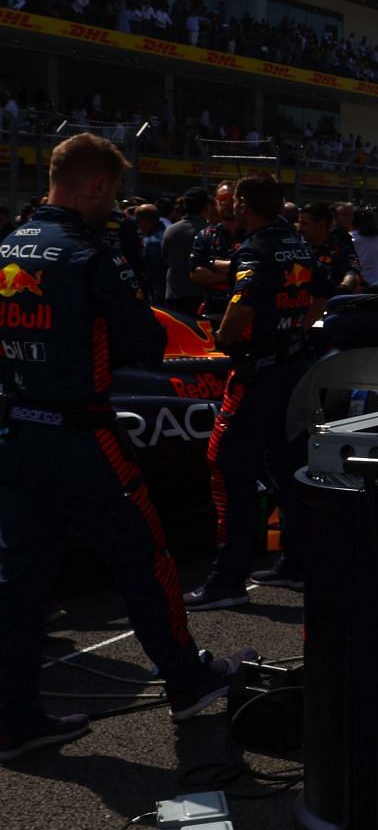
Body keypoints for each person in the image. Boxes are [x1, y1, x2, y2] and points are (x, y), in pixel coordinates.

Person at [0, 135, 248, 760]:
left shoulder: (6, 246)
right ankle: (188, 682)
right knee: (146, 558)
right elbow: (144, 345)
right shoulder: (91, 255)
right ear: (97, 187)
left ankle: (15, 719)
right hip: (83, 435)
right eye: (111, 193)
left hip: (18, 436)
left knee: (20, 581)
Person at [187, 175, 317, 607]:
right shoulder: (297, 243)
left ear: (245, 204)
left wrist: (222, 339)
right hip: (294, 368)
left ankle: (227, 582)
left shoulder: (255, 248)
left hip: (257, 374)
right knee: (287, 466)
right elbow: (321, 296)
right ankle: (298, 563)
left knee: (227, 468)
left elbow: (241, 308)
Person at [187, 182, 242, 322]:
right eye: (223, 198)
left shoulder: (254, 234)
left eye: (232, 198)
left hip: (245, 314)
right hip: (212, 312)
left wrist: (212, 265)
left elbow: (259, 272)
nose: (228, 203)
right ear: (216, 202)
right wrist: (237, 273)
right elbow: (196, 274)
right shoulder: (205, 235)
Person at [297, 201, 363, 311]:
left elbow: (352, 272)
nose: (299, 228)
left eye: (304, 224)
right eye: (299, 223)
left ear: (321, 225)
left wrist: (344, 288)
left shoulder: (341, 250)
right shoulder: (297, 249)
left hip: (328, 309)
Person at [161, 187, 211, 318]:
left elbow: (165, 257)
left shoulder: (171, 230)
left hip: (174, 292)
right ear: (206, 207)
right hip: (200, 295)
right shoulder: (209, 232)